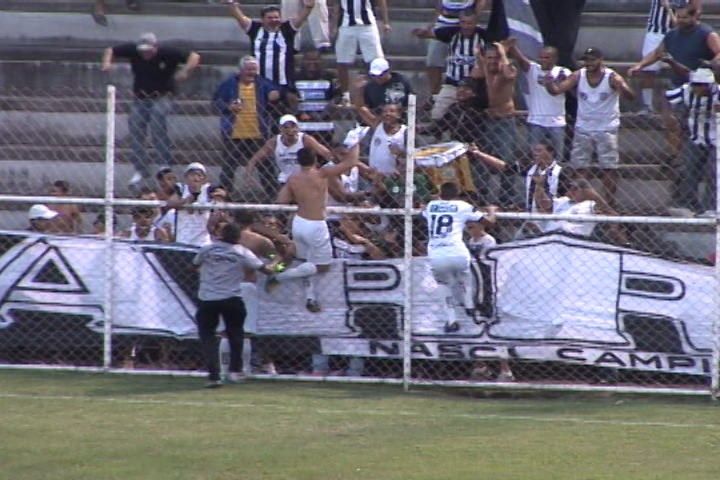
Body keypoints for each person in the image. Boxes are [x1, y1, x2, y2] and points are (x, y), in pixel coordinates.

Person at [266, 127, 367, 312]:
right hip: (316, 224)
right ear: (314, 160)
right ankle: (280, 276)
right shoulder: (322, 174)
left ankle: (310, 297)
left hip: (298, 222)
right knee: (322, 266)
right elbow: (351, 162)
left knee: (306, 261)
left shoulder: (293, 178)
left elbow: (281, 200)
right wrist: (356, 141)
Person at [102, 34, 200, 186]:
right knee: (135, 129)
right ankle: (140, 169)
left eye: (148, 50)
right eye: (142, 51)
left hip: (161, 95)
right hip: (140, 97)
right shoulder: (133, 51)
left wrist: (185, 71)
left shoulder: (167, 53)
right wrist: (107, 63)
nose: (145, 54)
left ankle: (164, 164)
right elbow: (110, 50)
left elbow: (194, 56)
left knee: (157, 122)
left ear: (155, 47)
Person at [628, 4, 719, 158]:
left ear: (694, 16)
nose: (681, 21)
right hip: (676, 84)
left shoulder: (707, 33)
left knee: (698, 125)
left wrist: (710, 66)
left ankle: (702, 154)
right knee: (672, 122)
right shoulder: (672, 35)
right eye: (678, 17)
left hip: (700, 87)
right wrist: (640, 65)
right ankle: (674, 155)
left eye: (685, 17)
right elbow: (657, 53)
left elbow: (718, 53)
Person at [546, 47, 635, 204]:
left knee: (609, 168)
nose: (589, 63)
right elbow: (557, 91)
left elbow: (631, 96)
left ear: (600, 60)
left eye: (592, 60)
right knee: (580, 167)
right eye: (586, 60)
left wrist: (621, 86)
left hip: (607, 128)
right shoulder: (578, 75)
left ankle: (609, 203)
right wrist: (549, 83)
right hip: (583, 127)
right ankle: (581, 202)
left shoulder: (611, 76)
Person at [193, 222, 275, 388]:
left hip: (208, 298)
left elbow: (194, 265)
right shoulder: (242, 252)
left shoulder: (207, 249)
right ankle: (236, 371)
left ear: (221, 235)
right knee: (237, 335)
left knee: (209, 337)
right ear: (238, 237)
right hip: (231, 297)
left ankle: (214, 376)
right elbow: (267, 270)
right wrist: (280, 261)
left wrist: (208, 277)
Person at [422, 182, 496, 333]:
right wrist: (492, 211)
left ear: (440, 193)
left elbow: (422, 213)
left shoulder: (431, 206)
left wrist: (437, 200)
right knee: (466, 276)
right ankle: (469, 304)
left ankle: (451, 320)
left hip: (437, 253)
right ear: (457, 193)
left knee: (443, 284)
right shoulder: (462, 205)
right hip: (457, 250)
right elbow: (489, 222)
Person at [212, 56, 282, 196]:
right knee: (228, 167)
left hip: (258, 134)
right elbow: (215, 104)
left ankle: (274, 197)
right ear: (241, 70)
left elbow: (277, 92)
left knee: (266, 167)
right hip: (234, 134)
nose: (252, 73)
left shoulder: (262, 83)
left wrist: (276, 94)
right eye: (249, 69)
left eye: (254, 70)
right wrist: (228, 107)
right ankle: (224, 197)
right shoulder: (229, 84)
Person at [227, 0, 316, 108]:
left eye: (276, 17)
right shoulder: (254, 29)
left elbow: (301, 18)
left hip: (283, 83)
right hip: (260, 82)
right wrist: (231, 4)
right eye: (270, 18)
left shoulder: (287, 29)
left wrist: (309, 7)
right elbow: (239, 17)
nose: (274, 20)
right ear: (263, 19)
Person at [468, 139, 565, 236]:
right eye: (534, 150)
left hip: (552, 218)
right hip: (532, 218)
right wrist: (479, 153)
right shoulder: (531, 167)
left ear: (551, 153)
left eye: (539, 151)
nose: (535, 153)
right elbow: (505, 166)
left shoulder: (560, 172)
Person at [412, 10, 487, 120]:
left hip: (475, 87)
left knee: (473, 116)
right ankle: (437, 134)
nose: (466, 26)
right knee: (437, 114)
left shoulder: (484, 35)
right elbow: (431, 34)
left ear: (476, 24)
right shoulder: (451, 33)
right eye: (463, 22)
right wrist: (421, 33)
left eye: (470, 23)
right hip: (452, 84)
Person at [666, 68, 720, 218]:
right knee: (689, 171)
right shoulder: (686, 90)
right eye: (695, 84)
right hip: (696, 137)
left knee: (713, 172)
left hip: (717, 140)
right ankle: (687, 205)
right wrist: (669, 116)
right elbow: (666, 97)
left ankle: (711, 207)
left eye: (701, 85)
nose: (697, 88)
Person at [471, 42, 519, 207]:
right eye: (489, 57)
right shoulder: (482, 71)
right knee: (481, 161)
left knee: (506, 160)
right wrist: (479, 57)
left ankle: (507, 201)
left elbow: (509, 74)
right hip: (487, 122)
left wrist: (503, 53)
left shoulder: (506, 70)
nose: (492, 61)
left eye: (496, 58)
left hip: (505, 121)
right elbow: (475, 73)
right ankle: (482, 198)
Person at [506, 39, 570, 160]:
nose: (543, 60)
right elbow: (521, 60)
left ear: (555, 59)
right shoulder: (533, 69)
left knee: (558, 158)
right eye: (541, 57)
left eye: (547, 57)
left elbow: (561, 88)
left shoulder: (563, 72)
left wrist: (551, 82)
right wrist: (513, 47)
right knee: (534, 157)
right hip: (536, 121)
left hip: (557, 122)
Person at [245, 114, 334, 201]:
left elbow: (326, 153)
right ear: (280, 129)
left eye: (293, 126)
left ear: (297, 128)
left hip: (306, 178)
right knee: (282, 202)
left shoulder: (305, 139)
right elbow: (253, 160)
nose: (290, 130)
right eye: (286, 127)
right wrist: (248, 178)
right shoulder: (274, 142)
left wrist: (326, 170)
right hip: (285, 179)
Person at [636, 0, 702, 114]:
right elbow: (664, 4)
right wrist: (673, 17)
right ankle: (647, 105)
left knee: (685, 67)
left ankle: (685, 103)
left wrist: (688, 23)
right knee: (648, 70)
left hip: (681, 32)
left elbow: (697, 8)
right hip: (656, 30)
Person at [423, 0, 488, 104]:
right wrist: (434, 22)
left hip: (466, 17)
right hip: (444, 22)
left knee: (473, 58)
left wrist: (470, 19)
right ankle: (435, 96)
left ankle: (471, 90)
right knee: (433, 61)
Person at [329, 0, 392, 104]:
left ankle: (377, 93)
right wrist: (333, 26)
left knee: (376, 61)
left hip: (368, 25)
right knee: (342, 61)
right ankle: (345, 95)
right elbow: (337, 5)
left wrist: (386, 22)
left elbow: (381, 1)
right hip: (346, 25)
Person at [533, 178, 619, 240]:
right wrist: (539, 185)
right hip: (550, 236)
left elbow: (613, 216)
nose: (570, 191)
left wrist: (595, 197)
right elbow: (543, 203)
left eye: (575, 189)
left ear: (586, 191)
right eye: (570, 188)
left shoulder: (590, 205)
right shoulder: (563, 200)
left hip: (574, 239)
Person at [294, 50, 340, 146]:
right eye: (308, 59)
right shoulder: (294, 77)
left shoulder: (330, 77)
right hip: (302, 123)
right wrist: (300, 113)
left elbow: (337, 97)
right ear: (302, 61)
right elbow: (290, 97)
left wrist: (324, 113)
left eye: (315, 59)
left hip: (325, 122)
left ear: (321, 61)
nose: (312, 63)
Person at [166, 163, 214, 246]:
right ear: (186, 177)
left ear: (204, 179)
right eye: (192, 175)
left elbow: (221, 195)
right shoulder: (181, 189)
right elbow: (170, 203)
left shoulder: (208, 190)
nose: (196, 178)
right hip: (183, 238)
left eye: (199, 175)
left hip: (202, 241)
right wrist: (185, 201)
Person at [355, 58, 414, 126]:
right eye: (374, 75)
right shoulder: (370, 85)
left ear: (388, 71)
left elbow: (409, 102)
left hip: (399, 121)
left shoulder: (401, 81)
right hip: (377, 121)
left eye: (380, 75)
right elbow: (364, 106)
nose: (377, 78)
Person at [368, 103, 407, 176]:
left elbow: (413, 155)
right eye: (384, 111)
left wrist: (399, 152)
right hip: (374, 175)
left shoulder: (405, 132)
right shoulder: (377, 126)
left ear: (399, 115)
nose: (387, 114)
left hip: (394, 177)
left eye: (392, 111)